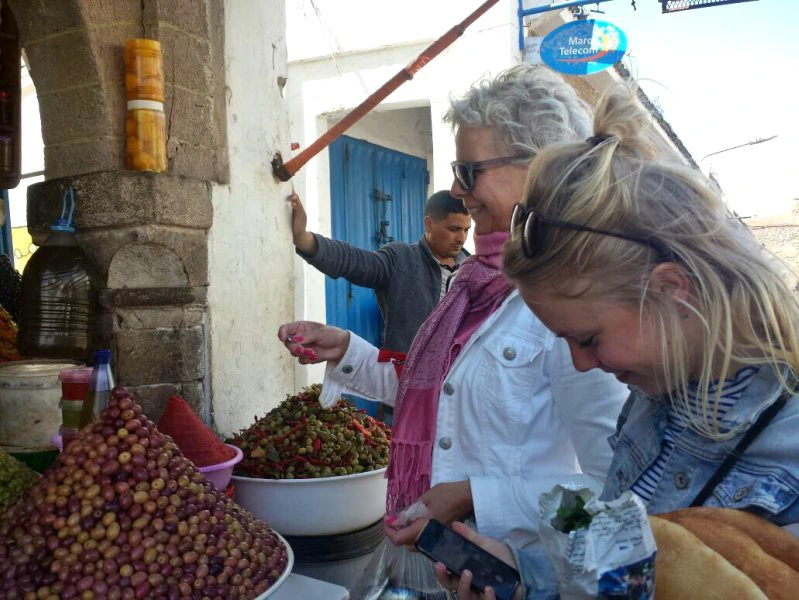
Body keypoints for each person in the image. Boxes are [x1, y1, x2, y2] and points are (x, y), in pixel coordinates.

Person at [436, 82, 799, 599]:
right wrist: (528, 576)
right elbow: (621, 565)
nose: (582, 363)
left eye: (588, 338)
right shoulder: (648, 406)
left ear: (671, 289)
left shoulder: (786, 440)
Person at [278, 64, 629, 557]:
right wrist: (348, 350)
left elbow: (614, 493)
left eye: (468, 171)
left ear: (539, 168)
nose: (459, 192)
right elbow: (446, 394)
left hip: (517, 574)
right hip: (441, 563)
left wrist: (479, 499)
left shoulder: (575, 304)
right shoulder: (472, 286)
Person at [288, 189, 471, 354]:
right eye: (454, 229)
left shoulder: (474, 270)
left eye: (466, 230)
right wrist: (304, 240)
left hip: (459, 377)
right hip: (405, 375)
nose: (461, 238)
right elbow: (355, 261)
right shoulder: (401, 260)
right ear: (429, 224)